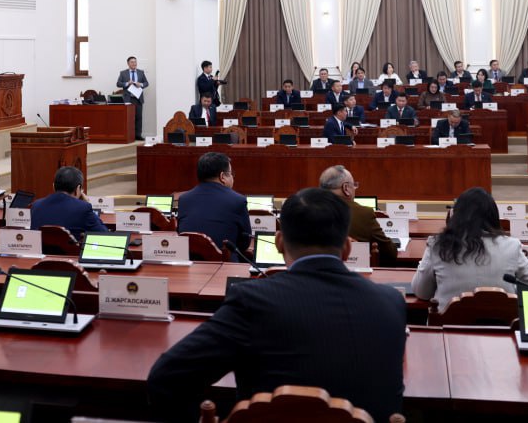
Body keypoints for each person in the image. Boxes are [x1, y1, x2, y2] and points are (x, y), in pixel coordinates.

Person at [147, 189, 407, 421]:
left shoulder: (251, 301)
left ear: (279, 242)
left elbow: (166, 378)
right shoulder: (391, 302)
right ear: (348, 248)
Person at [412, 186, 528, 312]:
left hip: (448, 326)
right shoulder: (512, 246)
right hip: (502, 326)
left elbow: (422, 292)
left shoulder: (438, 245)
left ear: (455, 215)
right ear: (494, 216)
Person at [176, 152, 251, 258]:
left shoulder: (184, 199)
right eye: (231, 173)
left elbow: (181, 233)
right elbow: (244, 243)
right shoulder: (238, 200)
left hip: (190, 263)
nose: (232, 177)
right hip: (224, 264)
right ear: (222, 176)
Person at [320, 165, 397, 266]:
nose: (355, 188)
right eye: (354, 185)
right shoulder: (364, 214)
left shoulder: (307, 211)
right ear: (346, 188)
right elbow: (390, 253)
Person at [30, 166, 108, 237]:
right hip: (70, 249)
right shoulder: (83, 208)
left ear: (53, 186)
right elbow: (105, 234)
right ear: (78, 188)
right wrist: (87, 204)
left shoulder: (36, 205)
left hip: (41, 248)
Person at [116, 56, 150, 140]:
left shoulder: (141, 72)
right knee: (129, 118)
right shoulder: (123, 73)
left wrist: (140, 84)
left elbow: (146, 83)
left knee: (139, 117)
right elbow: (118, 83)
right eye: (132, 62)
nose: (134, 63)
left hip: (138, 99)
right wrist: (127, 83)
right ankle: (129, 136)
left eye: (135, 62)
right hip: (128, 99)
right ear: (128, 63)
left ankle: (138, 135)